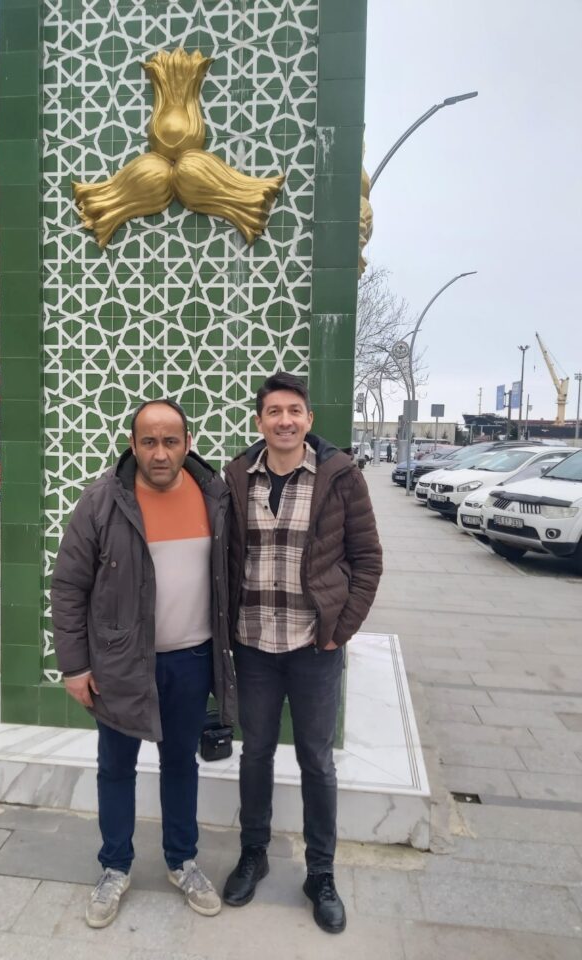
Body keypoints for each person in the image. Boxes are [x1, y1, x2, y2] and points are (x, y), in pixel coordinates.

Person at [51, 399, 235, 930]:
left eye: (170, 441)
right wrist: (74, 667)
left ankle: (182, 861)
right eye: (148, 441)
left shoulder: (215, 497)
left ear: (188, 443)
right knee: (116, 767)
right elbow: (68, 587)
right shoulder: (102, 501)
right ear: (132, 445)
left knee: (181, 763)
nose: (159, 453)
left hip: (192, 661)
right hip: (120, 664)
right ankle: (115, 866)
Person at [222, 372, 383, 935]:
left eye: (294, 411)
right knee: (255, 754)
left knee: (317, 760)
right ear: (260, 420)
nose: (284, 420)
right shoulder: (237, 476)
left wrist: (341, 629)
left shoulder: (341, 477)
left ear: (309, 419)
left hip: (315, 646)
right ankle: (254, 853)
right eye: (274, 411)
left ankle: (321, 873)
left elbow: (368, 560)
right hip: (254, 644)